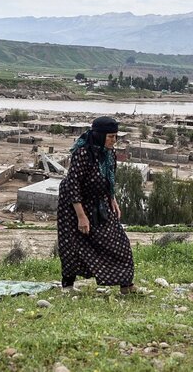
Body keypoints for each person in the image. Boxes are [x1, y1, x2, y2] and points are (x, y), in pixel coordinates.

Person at [57, 116, 136, 295]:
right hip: (74, 204)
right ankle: (68, 285)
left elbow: (110, 178)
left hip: (100, 203)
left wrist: (112, 199)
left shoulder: (109, 153)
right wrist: (81, 216)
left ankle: (126, 285)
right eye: (110, 137)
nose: (114, 141)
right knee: (72, 244)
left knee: (119, 241)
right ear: (99, 135)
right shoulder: (82, 153)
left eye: (116, 136)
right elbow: (73, 183)